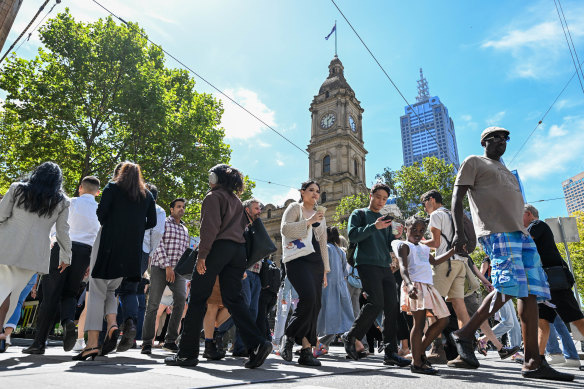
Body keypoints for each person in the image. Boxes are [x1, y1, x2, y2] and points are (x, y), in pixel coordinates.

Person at [449, 126, 573, 381]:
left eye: (506, 138)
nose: (502, 142)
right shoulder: (474, 161)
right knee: (507, 287)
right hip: (497, 232)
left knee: (531, 294)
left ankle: (532, 362)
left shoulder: (505, 170)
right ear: (484, 141)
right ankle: (465, 334)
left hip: (522, 235)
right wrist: (460, 233)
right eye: (497, 138)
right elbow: (457, 196)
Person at [165, 164, 271, 369]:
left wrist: (202, 255)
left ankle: (187, 354)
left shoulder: (213, 197)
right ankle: (258, 343)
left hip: (217, 249)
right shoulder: (236, 200)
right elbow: (242, 229)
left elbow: (209, 228)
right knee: (234, 300)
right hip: (238, 251)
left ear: (215, 177)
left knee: (197, 299)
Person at [77, 162, 156, 361]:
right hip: (130, 250)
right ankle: (112, 325)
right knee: (111, 290)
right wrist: (134, 226)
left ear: (120, 173)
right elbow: (152, 222)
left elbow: (101, 214)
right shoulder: (146, 195)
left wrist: (116, 222)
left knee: (96, 291)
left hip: (108, 243)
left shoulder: (111, 188)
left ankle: (92, 344)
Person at [24, 176, 101, 354]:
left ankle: (39, 343)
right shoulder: (99, 209)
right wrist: (91, 261)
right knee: (71, 293)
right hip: (85, 253)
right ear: (97, 192)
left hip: (63, 247)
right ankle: (67, 322)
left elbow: (53, 228)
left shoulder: (69, 202)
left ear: (80, 188)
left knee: (50, 295)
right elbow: (98, 237)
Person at [0, 162, 72, 340]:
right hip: (33, 256)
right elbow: (63, 231)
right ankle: (2, 334)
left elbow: (1, 215)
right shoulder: (62, 201)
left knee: (4, 291)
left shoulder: (17, 189)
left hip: (6, 247)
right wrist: (66, 256)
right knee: (11, 294)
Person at [342, 183, 410, 368]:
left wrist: (397, 237)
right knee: (375, 302)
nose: (381, 201)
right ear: (370, 195)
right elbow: (353, 236)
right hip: (366, 263)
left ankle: (390, 353)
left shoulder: (385, 219)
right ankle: (351, 336)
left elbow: (388, 245)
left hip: (384, 266)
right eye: (378, 197)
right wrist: (374, 226)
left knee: (392, 307)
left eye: (384, 199)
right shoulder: (360, 214)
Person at [523, 203, 584, 370]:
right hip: (544, 282)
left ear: (528, 214)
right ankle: (539, 360)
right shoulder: (535, 227)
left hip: (554, 281)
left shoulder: (538, 225)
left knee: (576, 318)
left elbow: (525, 241)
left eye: (520, 216)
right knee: (543, 321)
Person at [393, 216, 454, 375]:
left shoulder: (424, 247)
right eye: (414, 229)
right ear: (406, 229)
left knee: (443, 319)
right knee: (418, 324)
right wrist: (409, 284)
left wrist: (452, 251)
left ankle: (419, 352)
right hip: (415, 285)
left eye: (421, 230)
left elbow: (434, 262)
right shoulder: (404, 246)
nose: (418, 233)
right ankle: (417, 362)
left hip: (428, 286)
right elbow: (403, 268)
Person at [278, 180, 329, 367]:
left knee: (316, 304)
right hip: (296, 258)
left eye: (317, 191)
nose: (315, 194)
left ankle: (306, 351)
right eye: (311, 190)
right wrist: (309, 221)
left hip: (315, 261)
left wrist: (325, 269)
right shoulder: (294, 208)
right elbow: (284, 229)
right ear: (302, 192)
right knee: (308, 298)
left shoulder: (321, 215)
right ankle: (289, 336)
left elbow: (322, 242)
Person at [117, 183, 165, 351]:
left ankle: (103, 335)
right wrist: (149, 253)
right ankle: (130, 324)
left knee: (111, 290)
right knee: (130, 290)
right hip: (141, 251)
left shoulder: (129, 202)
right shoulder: (158, 210)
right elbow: (157, 234)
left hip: (120, 247)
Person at [141, 198, 189, 354]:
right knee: (153, 304)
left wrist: (182, 271)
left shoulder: (185, 229)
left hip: (178, 271)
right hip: (160, 267)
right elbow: (158, 244)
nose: (181, 209)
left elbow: (184, 252)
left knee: (181, 301)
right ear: (171, 209)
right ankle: (147, 342)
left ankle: (170, 341)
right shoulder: (163, 223)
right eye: (178, 207)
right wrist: (167, 266)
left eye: (183, 207)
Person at [229, 198, 263, 357]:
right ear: (247, 210)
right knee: (245, 309)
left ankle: (242, 345)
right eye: (256, 208)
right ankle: (239, 346)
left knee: (253, 311)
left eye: (260, 208)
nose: (260, 211)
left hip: (256, 274)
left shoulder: (257, 227)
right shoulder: (241, 226)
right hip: (244, 272)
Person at [316, 226, 355, 355]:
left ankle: (318, 344)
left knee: (324, 317)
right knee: (339, 318)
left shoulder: (325, 248)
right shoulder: (341, 251)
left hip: (327, 287)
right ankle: (324, 345)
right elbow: (345, 271)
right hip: (340, 287)